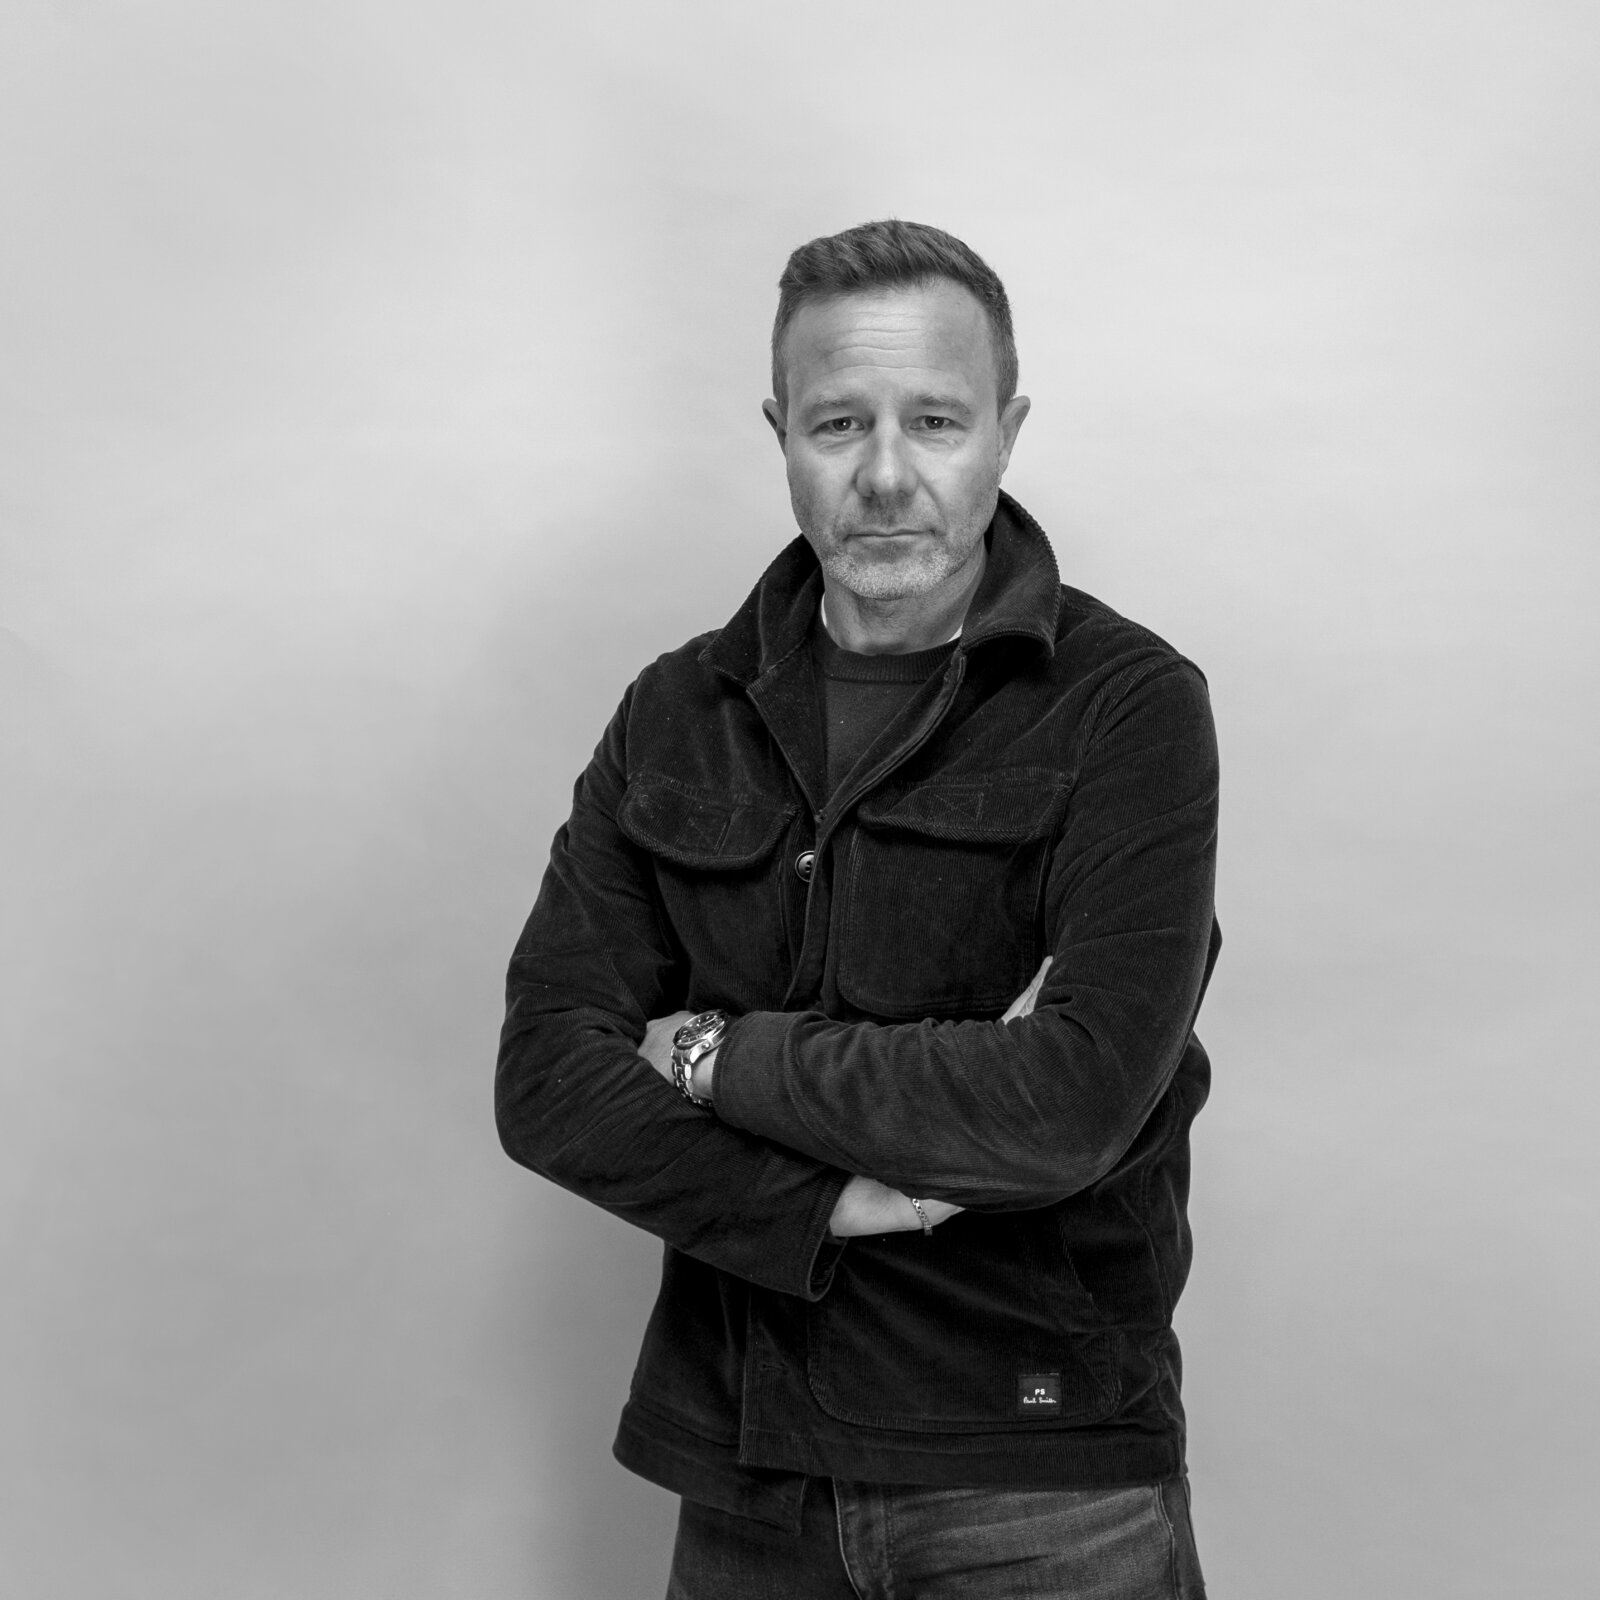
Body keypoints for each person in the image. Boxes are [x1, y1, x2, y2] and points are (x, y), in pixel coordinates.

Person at [497, 219, 1220, 1598]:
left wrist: (714, 1055)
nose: (887, 475)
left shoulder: (1129, 710)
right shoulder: (678, 711)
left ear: (1006, 433)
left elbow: (1069, 1102)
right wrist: (823, 1203)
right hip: (750, 1470)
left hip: (1041, 1474)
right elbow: (544, 1080)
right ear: (782, 434)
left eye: (935, 420)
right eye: (839, 423)